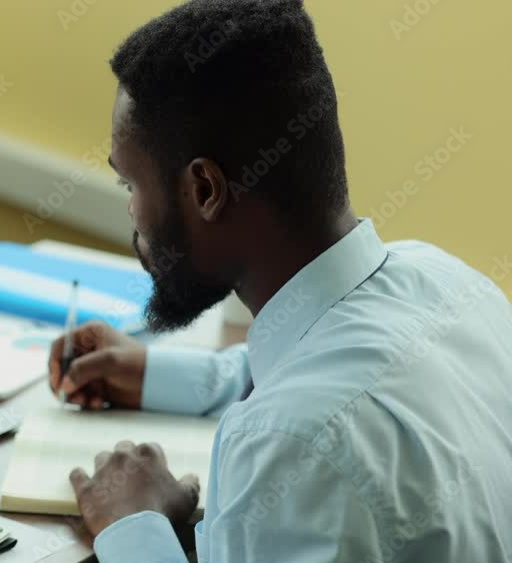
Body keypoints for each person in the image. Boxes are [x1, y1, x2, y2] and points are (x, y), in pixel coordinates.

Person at [47, 1, 512, 561]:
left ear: (205, 190)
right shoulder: (451, 284)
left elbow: (311, 410)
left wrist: (135, 525)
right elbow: (325, 370)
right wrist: (155, 375)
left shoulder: (288, 448)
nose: (132, 215)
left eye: (130, 186)